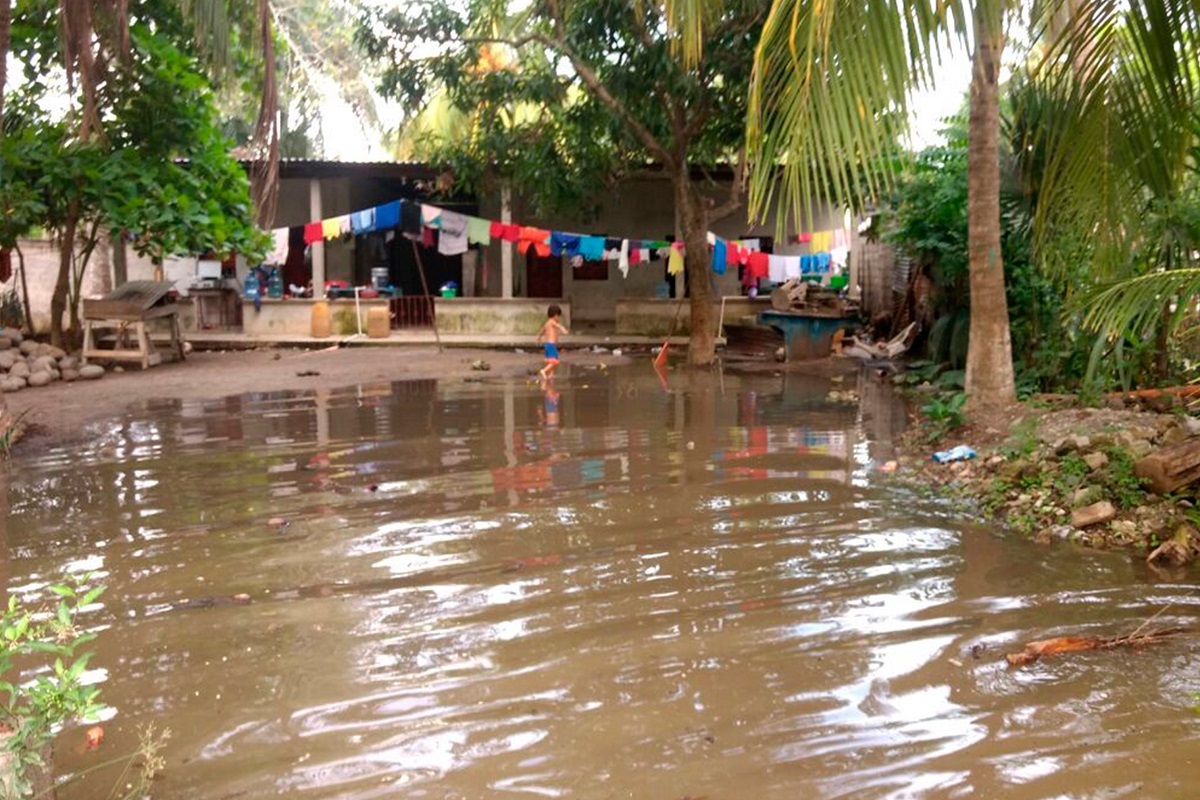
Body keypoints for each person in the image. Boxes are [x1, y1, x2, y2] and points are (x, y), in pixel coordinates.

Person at [537, 304, 569, 382]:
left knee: (551, 360)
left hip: (547, 345)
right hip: (551, 345)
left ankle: (550, 376)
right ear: (555, 315)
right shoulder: (552, 322)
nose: (558, 318)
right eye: (558, 316)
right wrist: (564, 330)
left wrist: (539, 336)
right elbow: (558, 326)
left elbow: (542, 330)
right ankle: (544, 371)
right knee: (554, 361)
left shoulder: (547, 323)